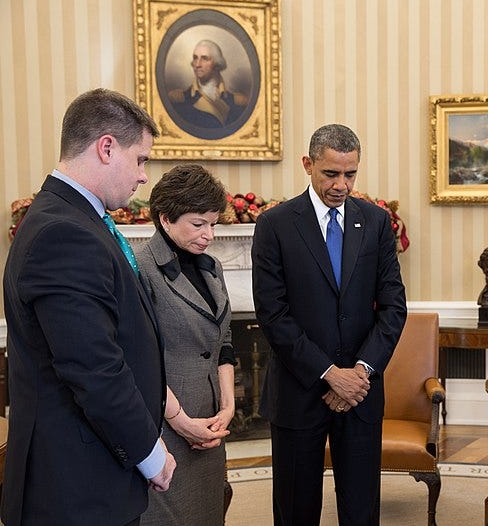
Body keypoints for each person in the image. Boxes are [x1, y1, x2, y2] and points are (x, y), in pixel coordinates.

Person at [1, 88, 175, 525]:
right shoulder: (64, 233)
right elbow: (95, 369)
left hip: (88, 476)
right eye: (141, 160)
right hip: (75, 487)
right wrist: (150, 455)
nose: (142, 178)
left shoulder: (72, 218)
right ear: (106, 147)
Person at [251, 123, 407, 525]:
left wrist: (358, 373)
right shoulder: (275, 225)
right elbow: (273, 313)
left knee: (360, 510)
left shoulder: (374, 222)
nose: (342, 184)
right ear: (308, 164)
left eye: (350, 174)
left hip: (360, 392)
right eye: (331, 173)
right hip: (299, 391)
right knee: (296, 509)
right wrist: (328, 374)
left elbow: (393, 307)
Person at [137, 164, 236, 526]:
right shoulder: (141, 269)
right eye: (198, 224)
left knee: (209, 514)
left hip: (210, 425)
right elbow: (138, 359)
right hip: (165, 425)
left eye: (213, 223)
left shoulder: (212, 268)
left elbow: (223, 339)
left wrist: (228, 405)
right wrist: (181, 422)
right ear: (165, 218)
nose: (209, 234)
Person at [168, 39, 248, 131]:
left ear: (217, 64)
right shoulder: (178, 100)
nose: (197, 64)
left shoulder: (238, 102)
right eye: (195, 58)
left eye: (205, 58)